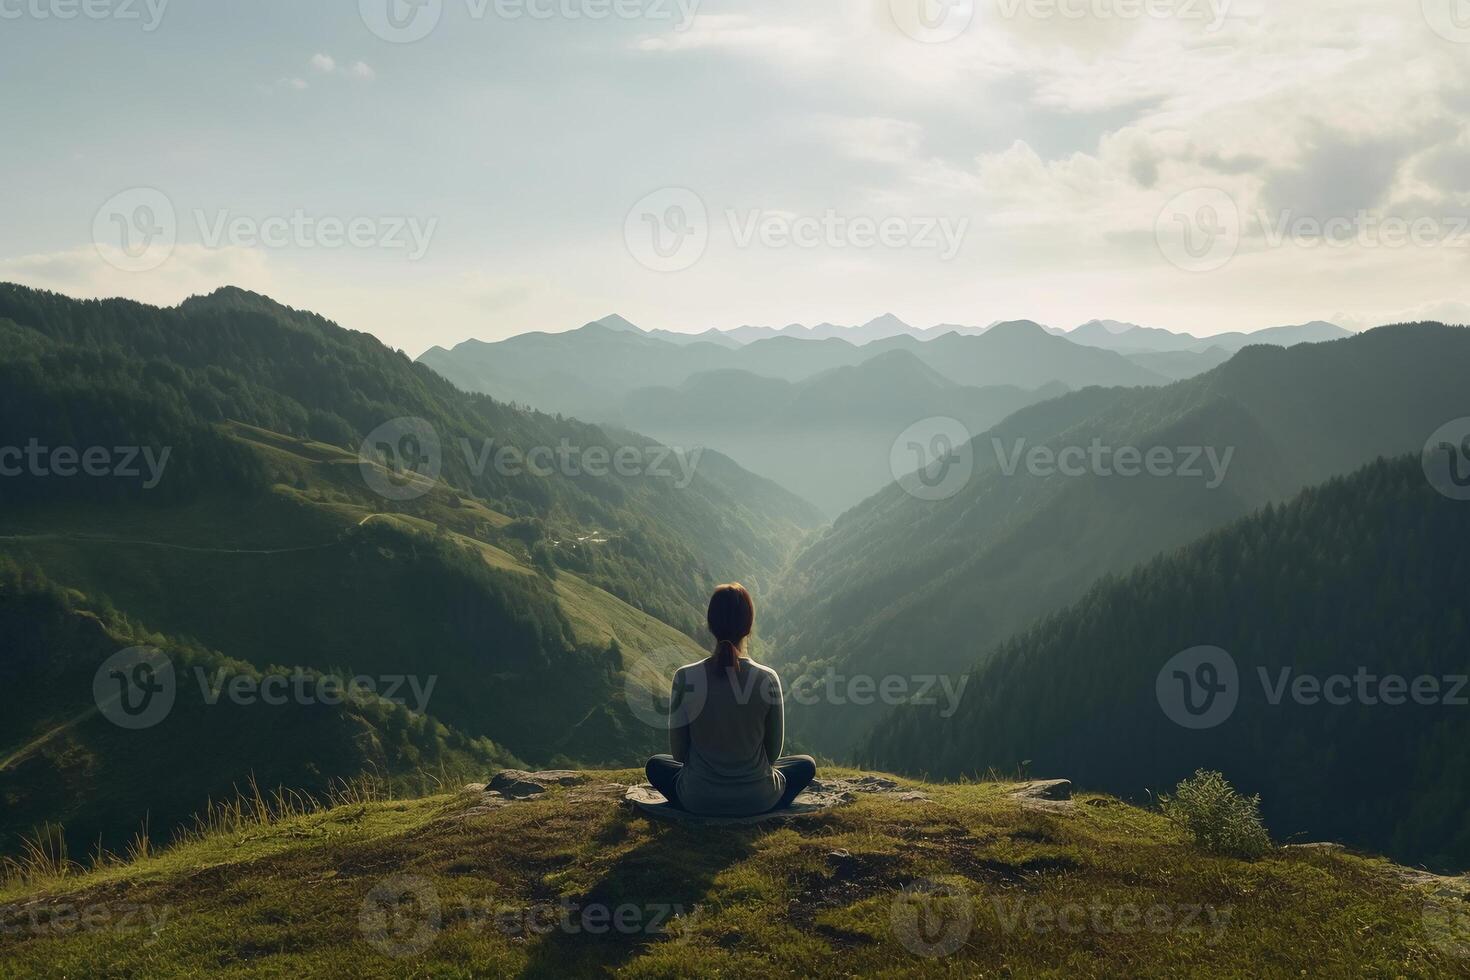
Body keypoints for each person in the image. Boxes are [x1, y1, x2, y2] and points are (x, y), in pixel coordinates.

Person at [644, 583, 816, 815]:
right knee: (805, 764)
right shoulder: (767, 678)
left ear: (710, 625)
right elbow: (773, 754)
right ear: (748, 626)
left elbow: (679, 755)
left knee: (656, 765)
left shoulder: (685, 677)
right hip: (758, 799)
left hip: (698, 798)